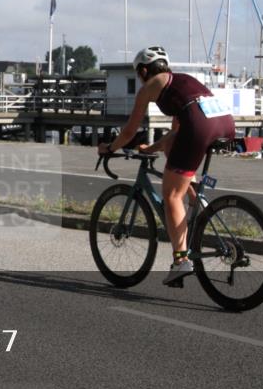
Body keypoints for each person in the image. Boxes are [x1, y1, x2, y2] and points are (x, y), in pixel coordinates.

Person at [97, 46, 235, 285]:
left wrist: (110, 148)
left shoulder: (150, 86)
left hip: (200, 126)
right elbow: (175, 135)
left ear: (143, 70)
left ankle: (181, 260)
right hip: (224, 122)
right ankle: (196, 200)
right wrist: (152, 149)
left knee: (171, 195)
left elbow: (130, 131)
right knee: (176, 156)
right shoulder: (183, 82)